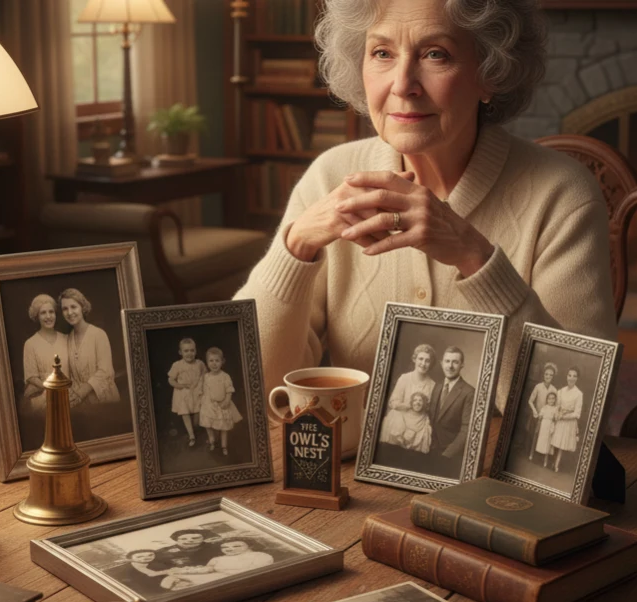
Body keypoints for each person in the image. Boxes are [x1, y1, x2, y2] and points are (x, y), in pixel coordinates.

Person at [234, 0, 617, 413]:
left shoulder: (561, 194)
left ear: (491, 72)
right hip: (355, 469)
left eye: (436, 54)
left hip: (493, 473)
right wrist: (295, 248)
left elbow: (583, 414)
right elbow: (253, 390)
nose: (402, 85)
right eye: (382, 53)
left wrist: (476, 259)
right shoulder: (331, 177)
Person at [60, 288, 120, 408]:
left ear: (82, 307)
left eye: (73, 307)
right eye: (65, 309)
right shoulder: (67, 339)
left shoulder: (98, 334)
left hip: (105, 402)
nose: (69, 312)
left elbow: (106, 371)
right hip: (82, 404)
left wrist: (83, 391)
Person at [159, 538, 274, 590]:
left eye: (237, 546)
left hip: (238, 579)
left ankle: (190, 587)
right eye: (225, 547)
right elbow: (207, 569)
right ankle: (183, 587)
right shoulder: (218, 558)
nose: (230, 549)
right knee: (173, 577)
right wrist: (184, 571)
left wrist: (225, 574)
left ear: (250, 546)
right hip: (215, 576)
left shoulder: (260, 555)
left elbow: (257, 570)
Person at [22, 294, 70, 413]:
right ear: (37, 316)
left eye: (51, 312)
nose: (48, 316)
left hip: (69, 393)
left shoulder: (66, 339)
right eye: (43, 313)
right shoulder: (30, 343)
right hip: (43, 396)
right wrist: (52, 388)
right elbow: (31, 376)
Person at [378, 344, 436, 440]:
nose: (423, 363)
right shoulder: (404, 378)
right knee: (393, 416)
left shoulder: (432, 385)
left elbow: (430, 410)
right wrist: (407, 405)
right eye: (420, 359)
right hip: (401, 420)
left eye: (427, 361)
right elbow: (393, 403)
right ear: (415, 359)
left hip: (420, 423)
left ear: (431, 363)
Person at [427, 347, 475, 460]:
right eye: (447, 361)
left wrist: (447, 455)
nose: (450, 366)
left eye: (455, 362)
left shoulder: (469, 392)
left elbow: (466, 429)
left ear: (462, 365)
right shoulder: (437, 386)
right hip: (428, 448)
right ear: (441, 363)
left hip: (450, 454)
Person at [198, 347, 243, 456]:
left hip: (222, 404)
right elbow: (203, 390)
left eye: (217, 361)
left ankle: (224, 446)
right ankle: (212, 440)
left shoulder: (225, 376)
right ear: (207, 362)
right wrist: (201, 401)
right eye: (211, 361)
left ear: (222, 362)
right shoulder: (206, 377)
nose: (214, 364)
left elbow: (229, 390)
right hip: (208, 405)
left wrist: (227, 400)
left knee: (223, 426)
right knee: (208, 424)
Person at [167, 338, 204, 446]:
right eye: (186, 351)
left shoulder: (199, 363)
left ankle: (196, 428)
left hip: (196, 391)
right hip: (183, 393)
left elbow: (205, 375)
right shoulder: (177, 365)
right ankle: (191, 435)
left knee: (198, 413)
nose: (189, 353)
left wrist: (201, 386)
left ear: (196, 351)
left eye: (192, 350)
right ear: (180, 352)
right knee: (185, 413)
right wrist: (180, 386)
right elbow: (171, 379)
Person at [548, 367, 585, 473]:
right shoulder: (561, 391)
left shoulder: (579, 394)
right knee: (554, 441)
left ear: (577, 378)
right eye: (569, 375)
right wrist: (557, 414)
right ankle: (551, 461)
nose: (571, 378)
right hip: (559, 418)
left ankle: (556, 465)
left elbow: (577, 413)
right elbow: (557, 406)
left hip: (569, 421)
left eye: (574, 376)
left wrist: (564, 416)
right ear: (566, 376)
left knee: (561, 445)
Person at [525, 362, 558, 447]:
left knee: (543, 437)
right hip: (536, 415)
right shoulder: (538, 386)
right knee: (532, 434)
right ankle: (530, 451)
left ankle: (538, 452)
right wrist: (535, 411)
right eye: (546, 374)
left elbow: (555, 405)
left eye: (551, 375)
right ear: (543, 375)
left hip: (546, 418)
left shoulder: (554, 389)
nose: (548, 376)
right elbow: (530, 401)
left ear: (553, 377)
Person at [156, 529, 224, 569]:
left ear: (203, 539)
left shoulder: (214, 547)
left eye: (195, 538)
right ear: (177, 540)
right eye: (183, 539)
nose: (190, 541)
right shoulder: (164, 551)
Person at [531, 390, 560, 466]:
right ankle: (536, 457)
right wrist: (539, 416)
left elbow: (556, 418)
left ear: (555, 400)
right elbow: (540, 415)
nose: (551, 400)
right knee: (541, 441)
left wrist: (557, 417)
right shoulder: (544, 407)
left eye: (553, 398)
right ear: (547, 400)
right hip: (543, 425)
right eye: (549, 398)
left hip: (550, 425)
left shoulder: (555, 408)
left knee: (548, 442)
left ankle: (545, 461)